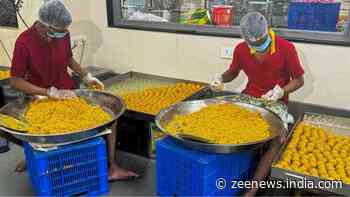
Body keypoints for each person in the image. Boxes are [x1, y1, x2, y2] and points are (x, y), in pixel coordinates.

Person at [10, 0, 138, 181]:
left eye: (64, 32)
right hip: (40, 98)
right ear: (44, 25)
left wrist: (86, 76)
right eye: (58, 31)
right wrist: (48, 92)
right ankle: (34, 158)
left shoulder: (62, 34)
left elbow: (69, 59)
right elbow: (16, 80)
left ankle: (112, 167)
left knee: (110, 119)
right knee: (44, 132)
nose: (61, 35)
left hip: (68, 92)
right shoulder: (24, 43)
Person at [210, 12, 304, 196]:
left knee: (276, 139)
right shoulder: (241, 49)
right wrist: (220, 78)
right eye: (252, 44)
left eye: (260, 42)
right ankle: (227, 178)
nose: (257, 47)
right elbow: (233, 72)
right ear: (245, 39)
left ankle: (251, 191)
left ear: (267, 31)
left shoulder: (286, 48)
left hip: (275, 101)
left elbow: (299, 80)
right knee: (226, 125)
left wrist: (281, 91)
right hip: (249, 98)